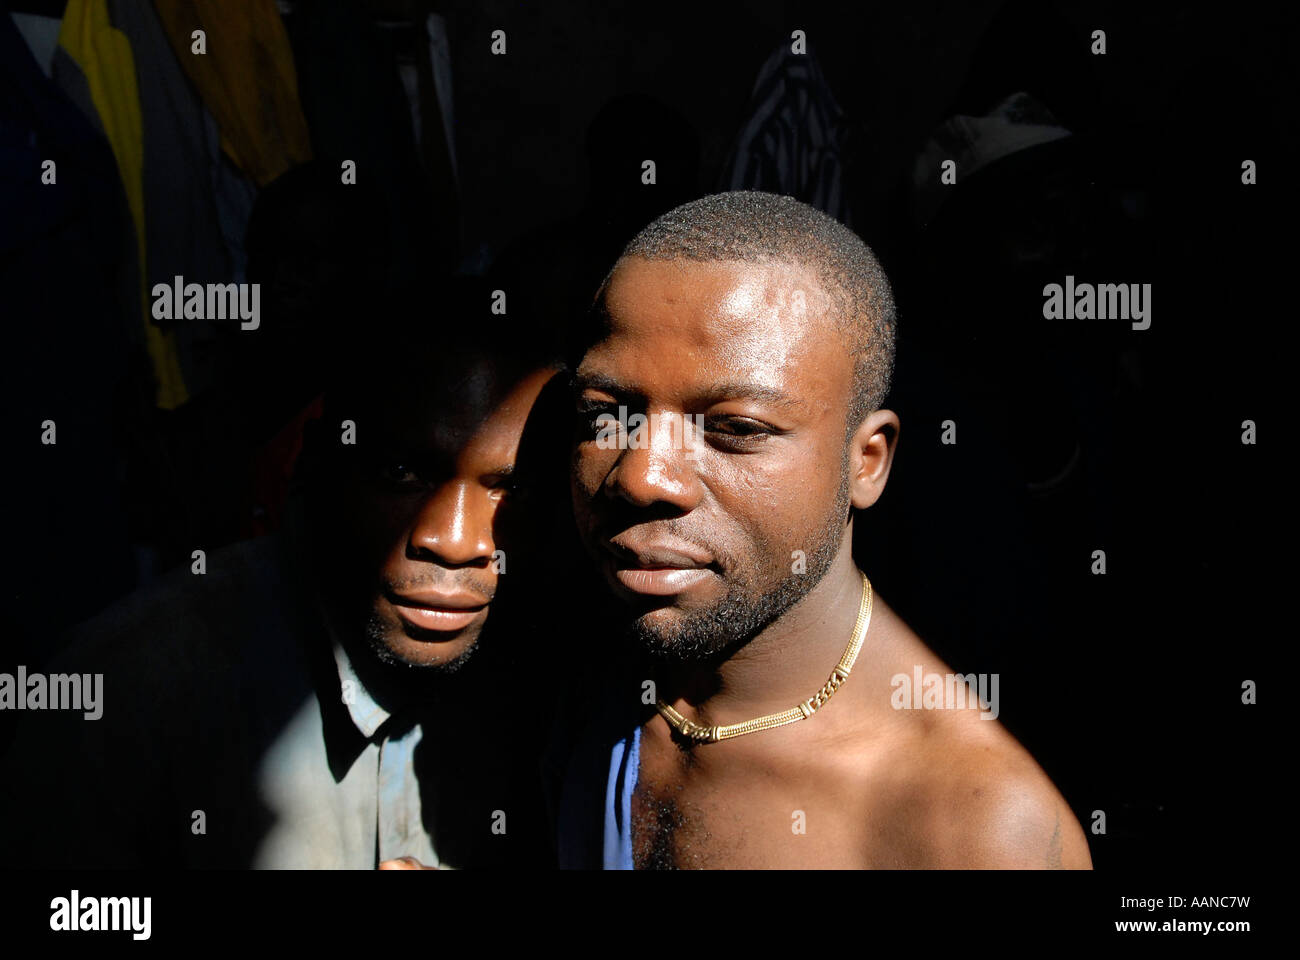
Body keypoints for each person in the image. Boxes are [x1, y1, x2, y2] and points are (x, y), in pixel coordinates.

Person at [556, 191, 1092, 869]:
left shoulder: (972, 828)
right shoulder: (577, 662)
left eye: (735, 430)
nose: (643, 477)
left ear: (864, 462)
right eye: (609, 415)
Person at [0, 278, 566, 869]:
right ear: (315, 462)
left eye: (513, 489)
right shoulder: (123, 694)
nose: (454, 541)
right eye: (402, 473)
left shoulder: (556, 677)